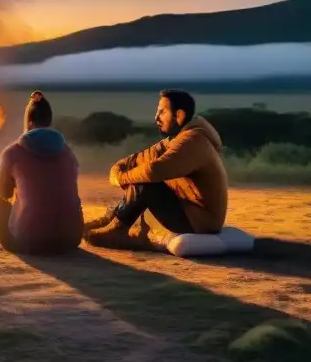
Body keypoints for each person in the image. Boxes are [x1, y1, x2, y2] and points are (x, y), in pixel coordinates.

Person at [84, 88, 228, 250]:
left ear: (179, 115)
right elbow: (139, 159)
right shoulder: (176, 139)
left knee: (146, 182)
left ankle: (118, 229)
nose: (156, 117)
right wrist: (120, 168)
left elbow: (155, 170)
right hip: (188, 210)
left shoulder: (193, 141)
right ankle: (112, 220)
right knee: (139, 174)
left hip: (201, 221)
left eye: (162, 112)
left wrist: (122, 178)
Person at [0, 90, 84, 255]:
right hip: (71, 239)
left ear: (28, 123)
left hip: (30, 242)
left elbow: (4, 193)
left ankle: (2, 238)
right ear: (49, 121)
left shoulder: (12, 152)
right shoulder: (67, 152)